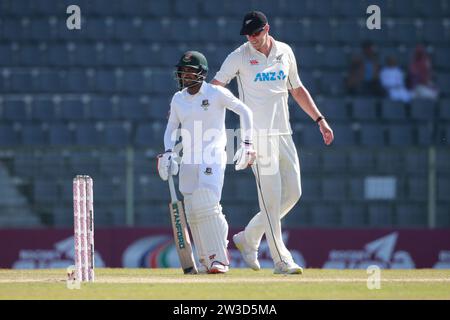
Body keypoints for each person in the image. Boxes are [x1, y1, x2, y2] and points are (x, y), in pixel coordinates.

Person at [211, 11, 334, 274]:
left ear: (267, 29)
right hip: (256, 137)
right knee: (270, 198)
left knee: (293, 193)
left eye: (256, 33)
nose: (252, 39)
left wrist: (319, 119)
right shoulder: (239, 56)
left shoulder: (285, 52)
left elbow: (297, 89)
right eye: (248, 34)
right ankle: (281, 260)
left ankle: (249, 237)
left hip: (283, 134)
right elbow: (216, 86)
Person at [157, 51, 256, 274]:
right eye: (182, 71)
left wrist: (247, 143)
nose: (185, 75)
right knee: (192, 211)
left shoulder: (216, 93)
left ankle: (219, 258)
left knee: (206, 203)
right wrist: (168, 152)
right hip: (188, 159)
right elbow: (171, 128)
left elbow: (245, 111)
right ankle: (205, 260)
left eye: (190, 71)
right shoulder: (178, 99)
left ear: (201, 73)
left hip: (213, 156)